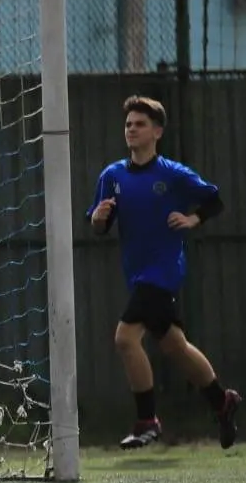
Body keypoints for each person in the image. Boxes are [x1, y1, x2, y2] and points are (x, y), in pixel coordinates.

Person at [86, 95, 239, 449]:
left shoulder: (172, 174)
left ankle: (147, 421)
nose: (132, 129)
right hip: (138, 274)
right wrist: (97, 218)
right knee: (174, 346)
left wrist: (192, 218)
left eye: (140, 124)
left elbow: (214, 200)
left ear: (157, 131)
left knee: (125, 339)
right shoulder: (113, 175)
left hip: (165, 271)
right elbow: (98, 225)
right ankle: (222, 401)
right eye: (128, 124)